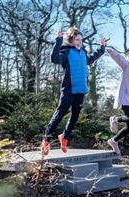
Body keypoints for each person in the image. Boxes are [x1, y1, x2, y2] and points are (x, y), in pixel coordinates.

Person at [41, 27, 107, 155]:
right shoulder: (66, 53)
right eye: (77, 39)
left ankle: (64, 137)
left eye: (81, 40)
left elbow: (92, 58)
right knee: (59, 115)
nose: (79, 42)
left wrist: (102, 48)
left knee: (75, 116)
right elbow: (54, 59)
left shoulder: (83, 53)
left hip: (81, 91)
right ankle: (46, 140)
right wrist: (58, 40)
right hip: (68, 90)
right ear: (71, 40)